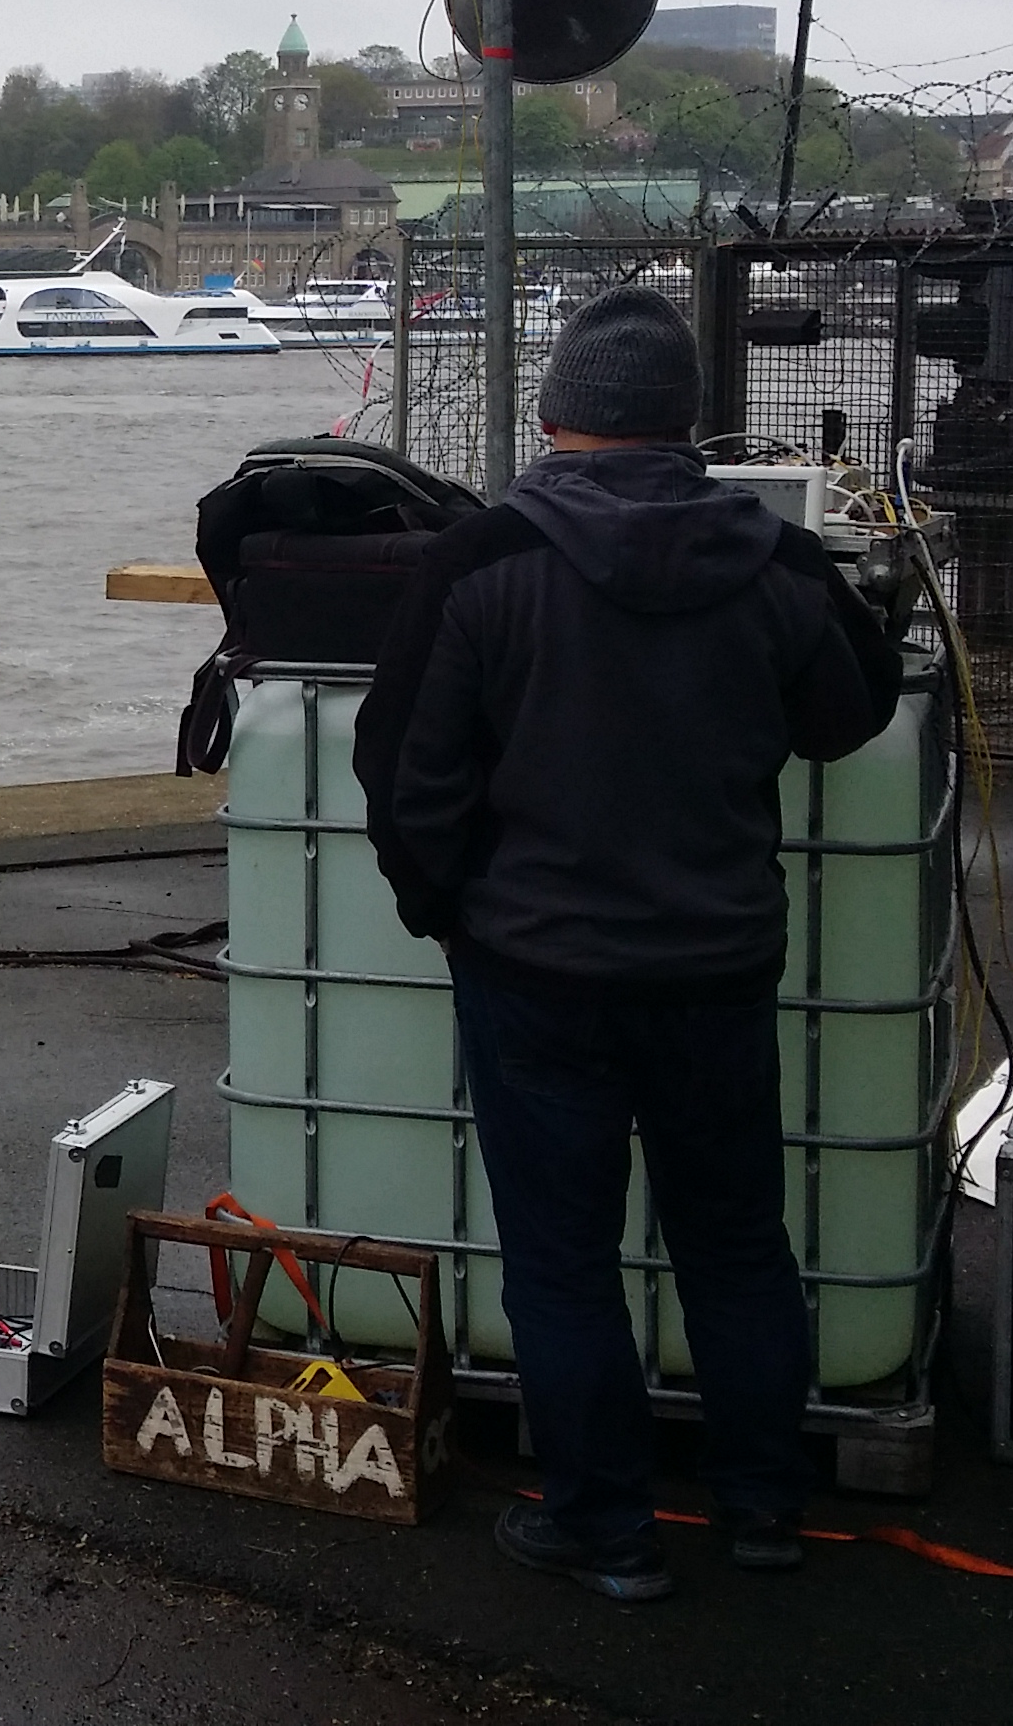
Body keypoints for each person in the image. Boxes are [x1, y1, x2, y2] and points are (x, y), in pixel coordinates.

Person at [354, 284, 901, 1603]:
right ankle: (764, 1505)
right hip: (717, 966)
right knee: (736, 1242)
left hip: (535, 970)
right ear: (688, 423)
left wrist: (452, 913)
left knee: (562, 1260)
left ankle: (605, 1528)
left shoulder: (478, 561)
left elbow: (403, 771)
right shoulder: (778, 560)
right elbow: (850, 710)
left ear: (553, 416)